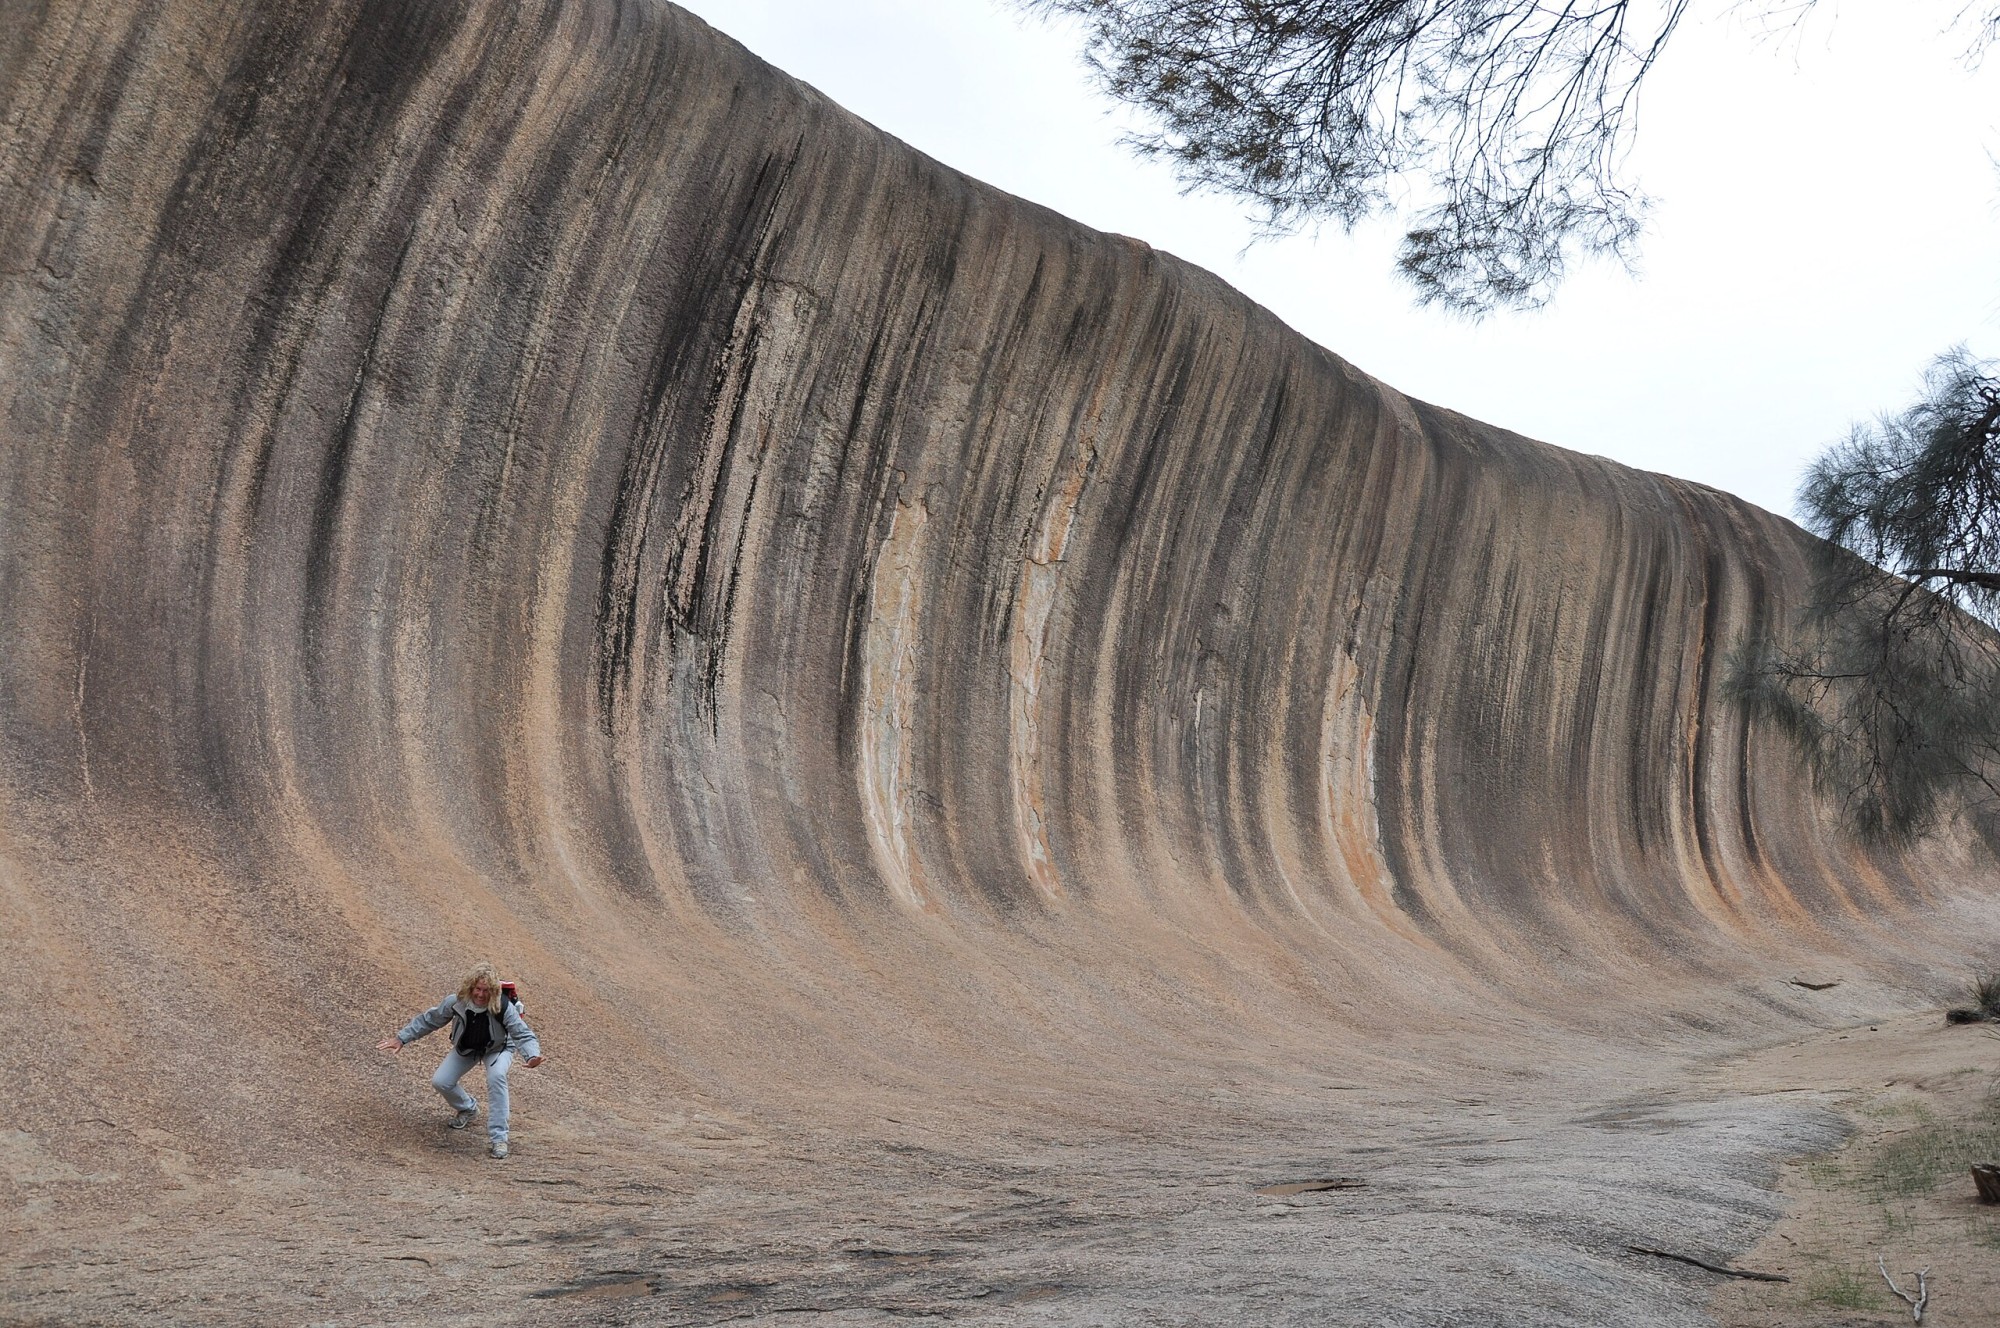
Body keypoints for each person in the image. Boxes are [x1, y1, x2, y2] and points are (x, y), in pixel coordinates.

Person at [378, 961, 544, 1159]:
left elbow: (523, 1034)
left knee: (497, 1077)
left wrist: (532, 1055)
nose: (481, 995)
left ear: (493, 991)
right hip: (467, 1048)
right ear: (470, 987)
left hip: (497, 1049)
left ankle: (499, 1138)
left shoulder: (503, 1006)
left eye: (486, 990)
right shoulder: (456, 1002)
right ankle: (468, 1108)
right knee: (441, 1081)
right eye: (477, 989)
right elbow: (429, 1020)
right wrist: (401, 1038)